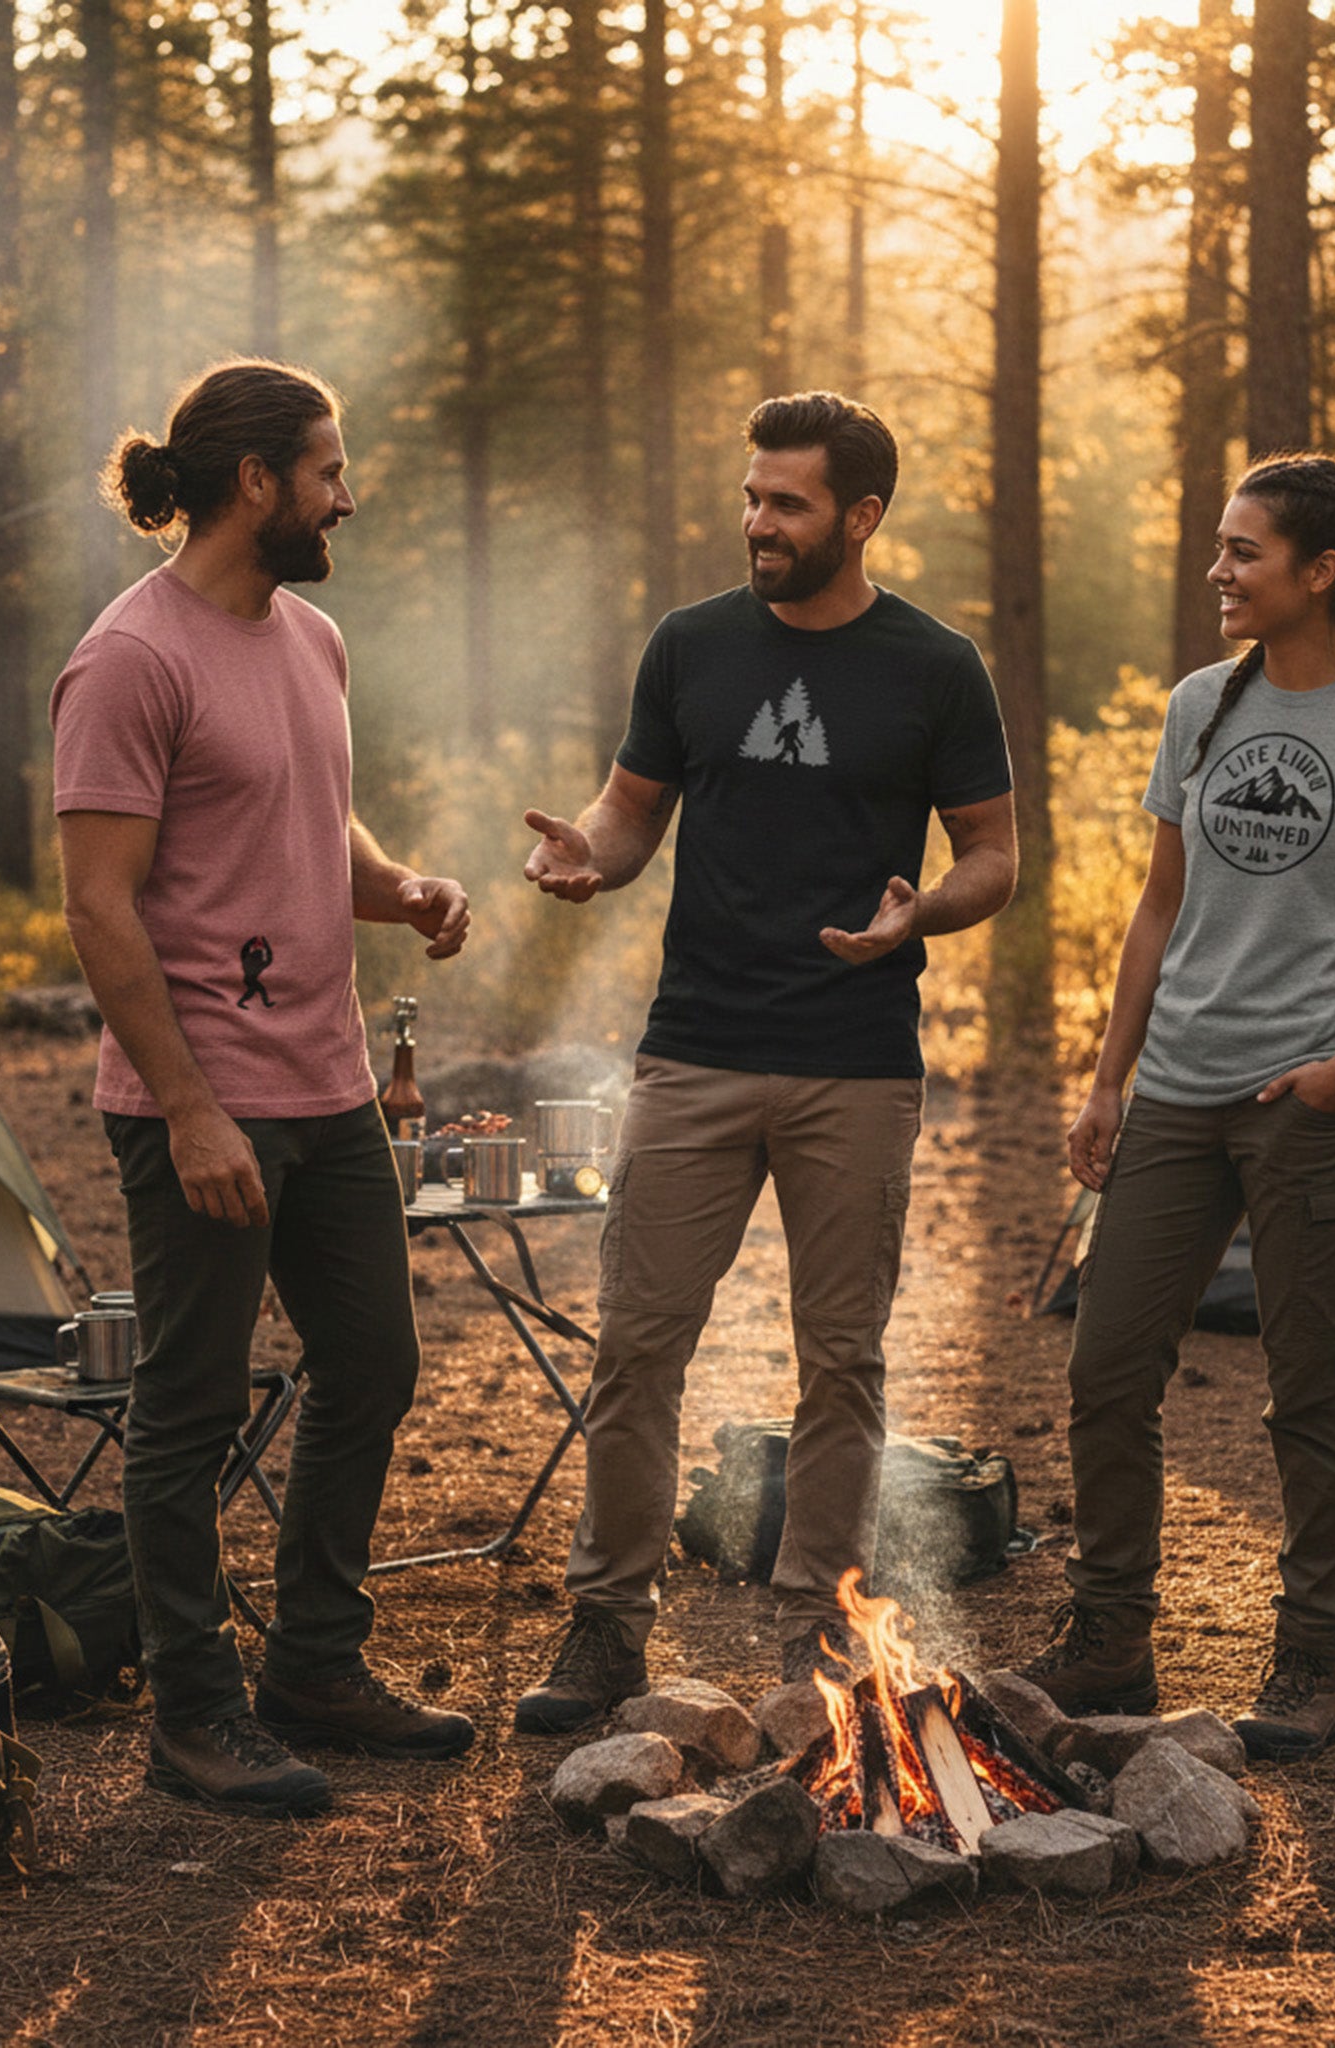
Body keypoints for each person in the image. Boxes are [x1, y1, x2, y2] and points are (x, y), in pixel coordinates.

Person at [514, 391, 1018, 1731]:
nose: (758, 522)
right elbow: (632, 813)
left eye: (787, 503)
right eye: (751, 497)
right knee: (637, 1347)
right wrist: (589, 856)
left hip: (856, 1063)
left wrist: (925, 912)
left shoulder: (936, 666)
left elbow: (994, 854)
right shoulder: (691, 646)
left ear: (862, 516)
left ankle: (821, 1635)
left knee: (840, 1362)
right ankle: (607, 1626)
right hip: (695, 1051)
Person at [51, 358, 477, 1818]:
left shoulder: (312, 639)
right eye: (329, 470)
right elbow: (100, 906)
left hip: (329, 1084)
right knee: (188, 1410)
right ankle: (193, 1715)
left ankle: (313, 1667)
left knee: (374, 1365)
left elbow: (308, 814)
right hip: (204, 1101)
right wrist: (188, 1110)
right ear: (254, 482)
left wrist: (400, 888)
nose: (347, 495)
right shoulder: (129, 659)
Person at [1016, 452, 1335, 1763]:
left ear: (1320, 572)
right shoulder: (1200, 705)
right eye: (1219, 547)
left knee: (1311, 1393)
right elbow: (1159, 905)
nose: (1217, 570)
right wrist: (1109, 1079)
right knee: (1107, 1371)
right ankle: (1112, 1638)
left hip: (1314, 1109)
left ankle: (1313, 1665)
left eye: (1243, 551)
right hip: (1177, 1093)